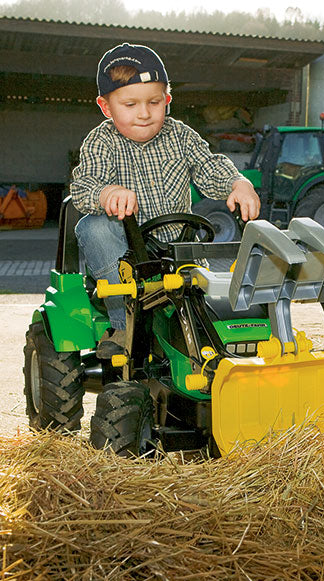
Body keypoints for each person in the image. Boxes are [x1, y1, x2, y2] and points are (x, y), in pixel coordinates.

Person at [71, 43, 260, 358]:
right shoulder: (101, 142)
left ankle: (225, 343)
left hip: (181, 248)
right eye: (130, 104)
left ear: (167, 100)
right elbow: (83, 186)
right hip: (127, 256)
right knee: (93, 227)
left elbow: (209, 166)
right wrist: (107, 193)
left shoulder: (180, 136)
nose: (144, 113)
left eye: (154, 102)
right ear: (106, 107)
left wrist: (237, 183)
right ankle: (123, 326)